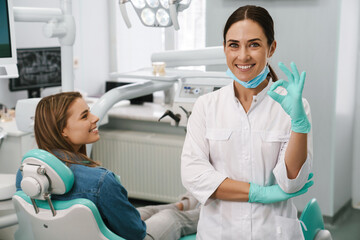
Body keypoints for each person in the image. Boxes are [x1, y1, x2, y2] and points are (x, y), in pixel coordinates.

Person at [181, 5, 313, 240]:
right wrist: (259, 193)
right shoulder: (206, 106)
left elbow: (291, 184)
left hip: (273, 233)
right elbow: (193, 175)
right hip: (219, 233)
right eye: (234, 45)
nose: (242, 56)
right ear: (224, 49)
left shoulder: (294, 107)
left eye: (254, 44)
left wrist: (298, 124)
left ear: (271, 48)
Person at [15, 91, 199, 240]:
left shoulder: (27, 174)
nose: (95, 118)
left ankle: (183, 204)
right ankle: (207, 210)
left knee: (146, 211)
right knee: (171, 218)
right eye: (85, 115)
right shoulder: (100, 181)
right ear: (62, 130)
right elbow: (135, 233)